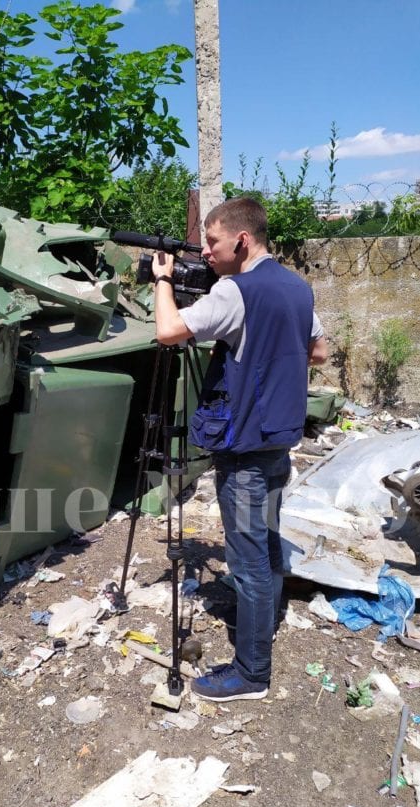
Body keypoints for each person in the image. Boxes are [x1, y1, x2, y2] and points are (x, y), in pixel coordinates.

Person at [152, 197, 327, 702]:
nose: (205, 251)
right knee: (267, 545)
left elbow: (168, 332)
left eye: (213, 242)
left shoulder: (236, 290)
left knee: (246, 565)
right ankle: (265, 620)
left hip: (246, 448)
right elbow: (317, 350)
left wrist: (163, 280)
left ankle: (251, 674)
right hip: (279, 440)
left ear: (242, 241)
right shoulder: (298, 286)